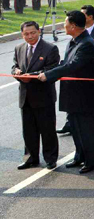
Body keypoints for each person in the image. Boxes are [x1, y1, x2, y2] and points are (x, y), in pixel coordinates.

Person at [37, 11, 94, 174]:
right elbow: (65, 63)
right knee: (75, 128)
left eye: (65, 23)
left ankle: (91, 161)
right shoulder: (74, 41)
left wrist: (49, 75)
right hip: (72, 93)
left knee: (87, 129)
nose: (63, 26)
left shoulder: (86, 43)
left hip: (84, 95)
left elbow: (72, 66)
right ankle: (80, 155)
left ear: (73, 26)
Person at [12, 21, 60, 170]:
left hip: (43, 96)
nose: (30, 36)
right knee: (28, 130)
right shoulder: (19, 48)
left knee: (47, 130)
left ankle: (50, 158)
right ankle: (31, 158)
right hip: (25, 96)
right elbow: (15, 66)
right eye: (26, 34)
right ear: (22, 34)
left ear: (39, 32)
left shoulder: (50, 48)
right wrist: (17, 72)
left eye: (33, 33)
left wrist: (30, 76)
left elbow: (51, 69)